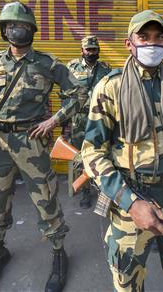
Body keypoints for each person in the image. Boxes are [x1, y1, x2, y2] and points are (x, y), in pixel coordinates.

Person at [81, 10, 163, 292]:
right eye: (143, 37)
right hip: (133, 193)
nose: (151, 43)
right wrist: (130, 202)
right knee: (128, 281)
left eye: (158, 37)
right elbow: (92, 153)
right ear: (130, 43)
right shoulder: (110, 88)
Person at [0, 1, 86, 291]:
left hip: (32, 141)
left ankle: (59, 253)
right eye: (11, 25)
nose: (16, 30)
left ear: (32, 30)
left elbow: (78, 93)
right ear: (3, 30)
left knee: (45, 199)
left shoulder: (47, 63)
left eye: (22, 26)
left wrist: (54, 120)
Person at [65, 35, 111, 209]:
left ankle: (101, 191)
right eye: (88, 49)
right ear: (82, 50)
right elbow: (65, 92)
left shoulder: (106, 68)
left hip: (101, 118)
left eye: (94, 49)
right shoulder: (72, 67)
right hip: (80, 119)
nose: (91, 53)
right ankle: (85, 192)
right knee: (80, 158)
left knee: (103, 154)